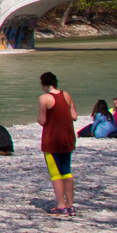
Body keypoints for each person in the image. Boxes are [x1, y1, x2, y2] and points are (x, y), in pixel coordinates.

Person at [38, 71, 78, 217]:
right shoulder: (66, 95)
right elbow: (74, 116)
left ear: (44, 84)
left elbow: (42, 121)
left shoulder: (44, 98)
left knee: (55, 174)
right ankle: (71, 205)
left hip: (52, 140)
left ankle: (61, 205)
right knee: (67, 171)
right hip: (67, 138)